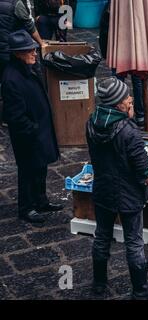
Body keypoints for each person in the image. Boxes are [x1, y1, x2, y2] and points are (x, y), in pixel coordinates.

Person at [86, 77, 148, 299]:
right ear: (117, 104)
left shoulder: (92, 122)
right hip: (127, 194)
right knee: (134, 242)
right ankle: (140, 291)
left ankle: (99, 284)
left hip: (102, 190)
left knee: (102, 236)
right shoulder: (128, 132)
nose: (130, 98)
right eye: (126, 98)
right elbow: (144, 170)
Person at [1, 30, 62, 224]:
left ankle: (41, 201)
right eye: (30, 51)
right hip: (28, 135)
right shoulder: (11, 79)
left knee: (40, 167)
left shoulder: (29, 68)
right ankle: (26, 208)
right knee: (28, 170)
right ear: (18, 53)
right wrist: (33, 129)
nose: (35, 53)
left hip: (39, 129)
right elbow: (15, 116)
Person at [98, 0, 146, 127]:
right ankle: (140, 115)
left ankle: (118, 115)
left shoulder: (113, 7)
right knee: (137, 81)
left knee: (118, 81)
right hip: (134, 49)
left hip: (118, 49)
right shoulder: (138, 8)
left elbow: (104, 31)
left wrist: (106, 53)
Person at [0, 0, 46, 77]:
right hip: (10, 49)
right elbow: (30, 26)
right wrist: (41, 43)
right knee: (14, 76)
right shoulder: (15, 3)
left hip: (3, 49)